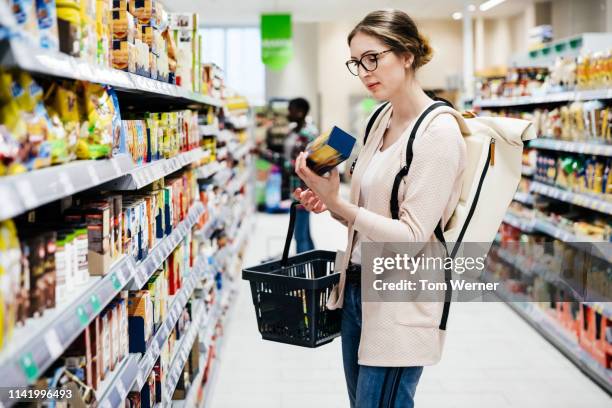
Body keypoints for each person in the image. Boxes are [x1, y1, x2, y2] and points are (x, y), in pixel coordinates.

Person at [293, 9, 467, 408]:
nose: (365, 71)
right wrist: (329, 202)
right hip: (354, 287)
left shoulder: (438, 133)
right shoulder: (378, 119)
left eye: (374, 58)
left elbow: (410, 236)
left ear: (407, 55)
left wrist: (341, 204)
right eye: (357, 63)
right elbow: (366, 214)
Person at [284, 97, 318, 253]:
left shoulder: (308, 134)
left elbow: (302, 164)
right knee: (305, 233)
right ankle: (315, 268)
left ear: (300, 112)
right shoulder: (295, 131)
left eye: (290, 110)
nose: (287, 113)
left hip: (304, 189)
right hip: (297, 188)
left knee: (300, 236)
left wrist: (283, 163)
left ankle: (303, 274)